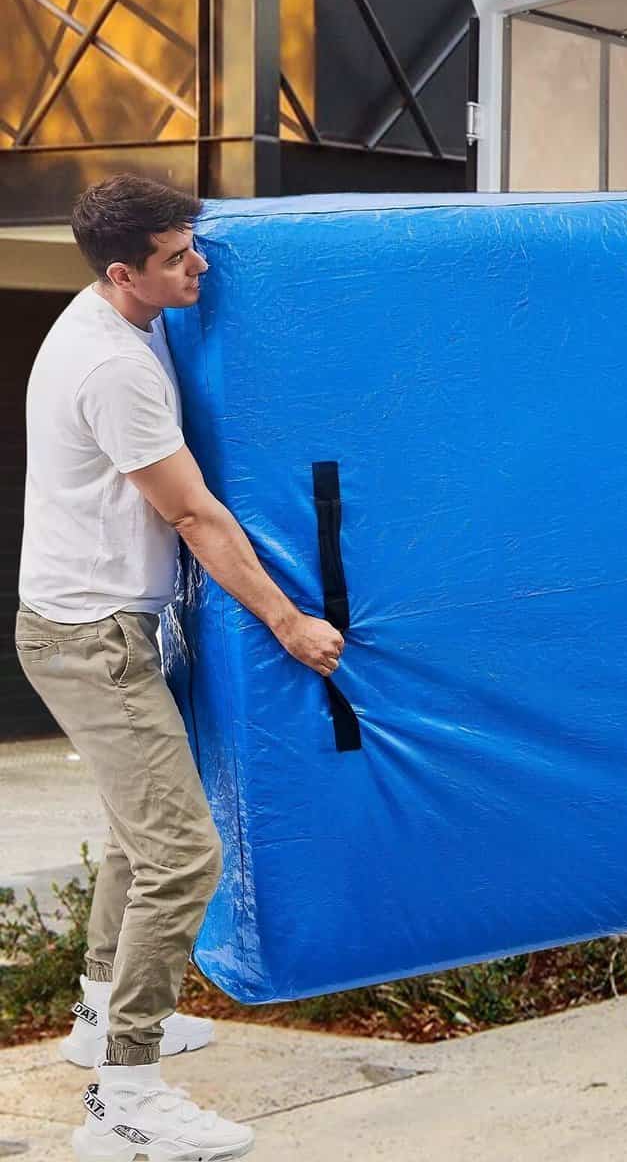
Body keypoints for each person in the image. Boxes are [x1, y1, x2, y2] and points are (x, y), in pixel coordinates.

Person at [16, 174, 345, 1161]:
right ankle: (126, 1099)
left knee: (138, 836)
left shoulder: (130, 316)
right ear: (126, 273)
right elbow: (195, 514)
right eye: (177, 257)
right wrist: (289, 623)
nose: (197, 264)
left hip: (108, 627)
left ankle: (92, 1015)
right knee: (182, 855)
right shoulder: (110, 364)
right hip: (92, 641)